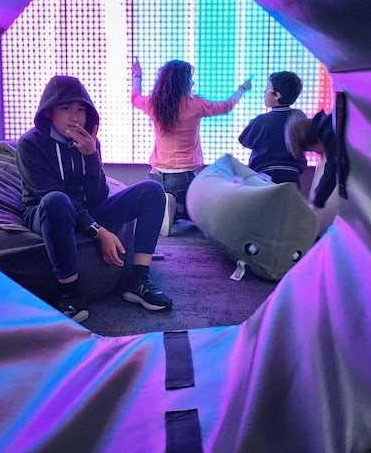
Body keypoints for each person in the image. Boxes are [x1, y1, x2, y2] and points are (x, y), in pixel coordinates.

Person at [16, 75, 172, 323]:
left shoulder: (90, 142)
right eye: (66, 108)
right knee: (57, 200)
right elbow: (50, 194)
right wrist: (99, 232)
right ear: (48, 112)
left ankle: (138, 280)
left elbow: (99, 195)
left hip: (87, 210)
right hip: (47, 212)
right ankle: (71, 295)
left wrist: (91, 156)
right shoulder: (30, 145)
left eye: (80, 110)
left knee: (152, 190)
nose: (75, 117)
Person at [131, 58, 252, 230]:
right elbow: (226, 106)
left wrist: (138, 75)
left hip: (156, 176)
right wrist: (242, 89)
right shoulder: (196, 104)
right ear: (184, 82)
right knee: (198, 217)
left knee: (166, 210)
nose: (193, 82)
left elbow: (135, 97)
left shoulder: (153, 103)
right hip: (184, 178)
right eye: (190, 78)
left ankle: (167, 209)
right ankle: (176, 209)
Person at [238, 71, 308, 187]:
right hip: (293, 177)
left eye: (267, 88)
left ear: (277, 95)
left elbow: (245, 140)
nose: (264, 92)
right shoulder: (299, 117)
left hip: (265, 177)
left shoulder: (262, 121)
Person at [286, 109, 337, 211]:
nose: (319, 154)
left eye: (312, 150)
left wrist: (316, 204)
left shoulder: (330, 136)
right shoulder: (329, 124)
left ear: (315, 141)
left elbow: (332, 170)